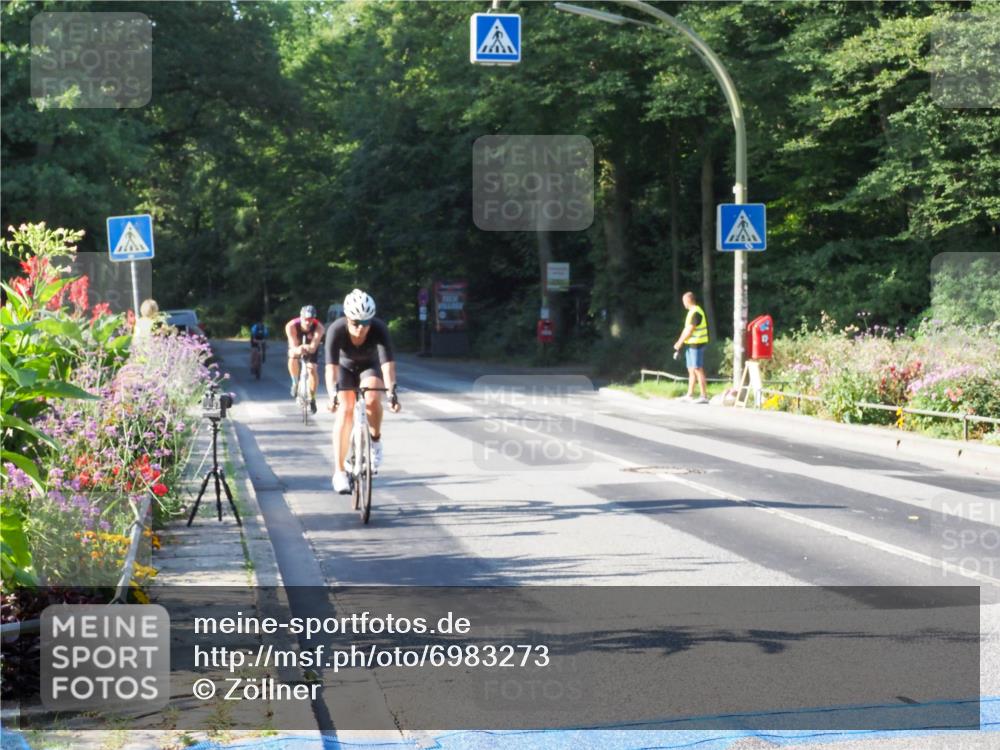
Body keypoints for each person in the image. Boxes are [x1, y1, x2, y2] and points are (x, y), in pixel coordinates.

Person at [325, 289, 400, 494]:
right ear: (347, 319)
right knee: (346, 409)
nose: (360, 329)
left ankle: (375, 442)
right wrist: (332, 393)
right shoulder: (336, 329)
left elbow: (387, 365)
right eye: (355, 323)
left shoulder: (379, 329)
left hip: (370, 365)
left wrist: (392, 391)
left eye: (365, 323)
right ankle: (339, 472)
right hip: (344, 368)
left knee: (373, 397)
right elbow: (330, 368)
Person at [285, 305, 325, 414]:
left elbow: (313, 347)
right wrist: (298, 350)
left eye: (311, 320)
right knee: (292, 356)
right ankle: (294, 382)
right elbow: (293, 346)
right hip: (297, 345)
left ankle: (312, 397)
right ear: (301, 317)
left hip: (311, 346)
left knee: (312, 369)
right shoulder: (291, 325)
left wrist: (309, 348)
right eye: (305, 319)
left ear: (314, 319)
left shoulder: (319, 327)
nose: (308, 322)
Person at [673, 291, 710, 403]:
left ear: (688, 301)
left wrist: (679, 342)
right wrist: (680, 342)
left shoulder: (696, 312)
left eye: (684, 301)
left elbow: (689, 330)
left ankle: (704, 396)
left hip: (697, 344)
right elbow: (686, 330)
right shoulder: (691, 312)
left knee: (698, 369)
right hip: (691, 344)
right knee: (691, 369)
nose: (683, 303)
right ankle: (690, 395)